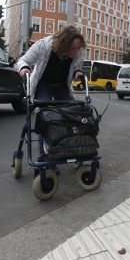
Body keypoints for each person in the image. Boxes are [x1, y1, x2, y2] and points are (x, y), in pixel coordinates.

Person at [17, 25, 86, 172]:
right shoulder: (43, 45)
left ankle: (70, 148)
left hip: (61, 84)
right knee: (46, 116)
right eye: (72, 48)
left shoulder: (78, 50)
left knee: (72, 113)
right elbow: (23, 60)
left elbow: (77, 65)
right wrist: (24, 68)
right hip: (43, 84)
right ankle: (45, 157)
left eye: (77, 48)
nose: (75, 51)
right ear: (63, 44)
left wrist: (78, 72)